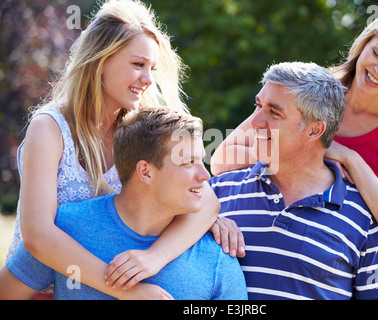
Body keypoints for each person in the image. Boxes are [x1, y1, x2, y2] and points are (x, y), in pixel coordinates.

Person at [6, 0, 221, 300]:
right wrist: (128, 291)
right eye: (138, 64)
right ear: (100, 60)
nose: (148, 79)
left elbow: (208, 201)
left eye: (152, 68)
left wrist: (154, 258)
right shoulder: (50, 128)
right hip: (36, 290)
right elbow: (37, 235)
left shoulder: (141, 128)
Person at [211, 9, 378, 243]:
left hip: (333, 248)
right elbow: (221, 160)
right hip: (260, 227)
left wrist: (349, 158)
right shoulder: (312, 88)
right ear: (365, 43)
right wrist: (305, 154)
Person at [0, 107, 248, 300]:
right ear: (146, 172)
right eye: (188, 163)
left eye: (202, 162)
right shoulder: (67, 230)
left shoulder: (216, 256)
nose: (205, 176)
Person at [209, 62, 378, 300]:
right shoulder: (214, 194)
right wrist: (203, 220)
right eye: (258, 105)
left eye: (274, 112)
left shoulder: (364, 219)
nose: (255, 122)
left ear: (314, 131)